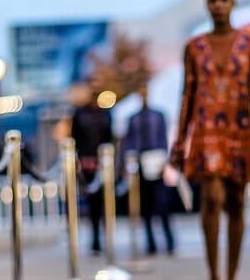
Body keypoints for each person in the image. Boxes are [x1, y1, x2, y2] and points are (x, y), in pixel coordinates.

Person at [169, 0, 250, 280]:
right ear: (206, 5)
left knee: (236, 204)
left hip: (240, 130)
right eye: (212, 0)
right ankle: (213, 278)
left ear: (233, 2)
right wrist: (180, 140)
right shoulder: (194, 47)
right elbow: (187, 94)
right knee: (211, 199)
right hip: (207, 130)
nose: (218, 5)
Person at [123, 83, 175, 255]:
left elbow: (163, 140)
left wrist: (164, 162)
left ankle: (169, 241)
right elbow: (129, 143)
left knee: (163, 204)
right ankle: (150, 242)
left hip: (157, 162)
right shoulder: (133, 118)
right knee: (146, 206)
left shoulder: (159, 116)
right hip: (141, 164)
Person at [71, 74, 113, 255]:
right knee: (90, 203)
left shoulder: (106, 114)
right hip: (86, 164)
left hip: (103, 164)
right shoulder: (80, 113)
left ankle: (104, 239)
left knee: (103, 203)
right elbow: (75, 138)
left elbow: (110, 138)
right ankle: (94, 239)